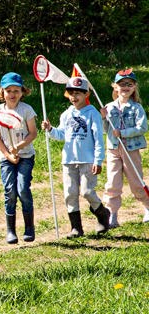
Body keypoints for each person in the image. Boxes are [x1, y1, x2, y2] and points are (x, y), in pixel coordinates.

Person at [41, 76, 111, 236]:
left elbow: (99, 138)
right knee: (70, 193)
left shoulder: (92, 112)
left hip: (88, 160)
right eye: (71, 93)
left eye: (78, 93)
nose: (74, 97)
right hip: (69, 160)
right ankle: (76, 228)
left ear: (86, 94)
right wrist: (50, 129)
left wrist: (98, 160)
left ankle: (102, 214)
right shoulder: (66, 114)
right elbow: (61, 134)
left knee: (87, 191)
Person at [0, 72, 38, 244]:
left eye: (16, 90)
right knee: (10, 191)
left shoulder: (26, 110)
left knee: (23, 189)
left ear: (22, 91)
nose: (12, 94)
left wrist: (18, 147)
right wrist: (8, 154)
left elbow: (33, 133)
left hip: (26, 156)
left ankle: (29, 227)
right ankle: (10, 230)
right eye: (8, 90)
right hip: (6, 158)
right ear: (2, 92)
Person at [101, 68, 149, 227]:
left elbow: (142, 128)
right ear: (115, 87)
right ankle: (112, 215)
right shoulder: (109, 107)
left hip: (131, 149)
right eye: (122, 84)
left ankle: (148, 207)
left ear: (134, 87)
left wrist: (122, 133)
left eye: (129, 84)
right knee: (113, 183)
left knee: (136, 182)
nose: (125, 87)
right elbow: (103, 129)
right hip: (113, 149)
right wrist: (103, 118)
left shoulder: (136, 108)